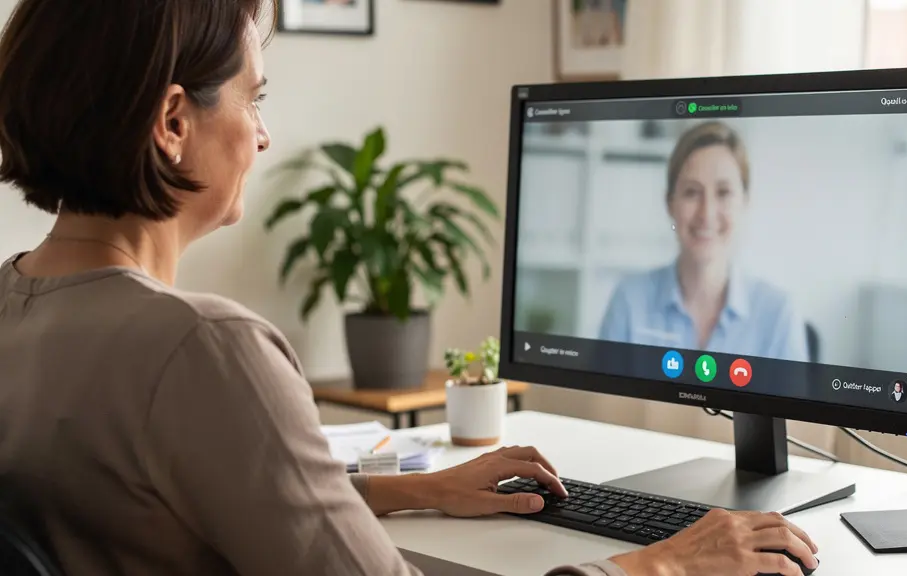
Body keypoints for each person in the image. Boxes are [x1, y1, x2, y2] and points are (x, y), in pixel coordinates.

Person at [0, 2, 817, 575]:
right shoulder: (203, 349)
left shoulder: (14, 308)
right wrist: (662, 564)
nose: (262, 131)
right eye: (255, 96)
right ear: (173, 123)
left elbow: (201, 491)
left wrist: (420, 489)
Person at [599, 121, 810, 362]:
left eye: (723, 193)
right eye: (691, 192)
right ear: (670, 203)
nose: (706, 214)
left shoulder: (779, 313)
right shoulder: (629, 301)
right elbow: (603, 401)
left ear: (745, 202)